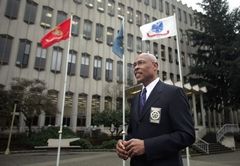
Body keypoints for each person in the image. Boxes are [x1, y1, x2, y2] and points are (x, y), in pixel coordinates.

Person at [116, 53, 195, 166]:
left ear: (155, 66)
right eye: (134, 65)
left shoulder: (174, 93)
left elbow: (187, 135)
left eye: (141, 62)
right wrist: (124, 144)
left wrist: (147, 146)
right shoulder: (136, 98)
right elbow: (133, 132)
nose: (136, 67)